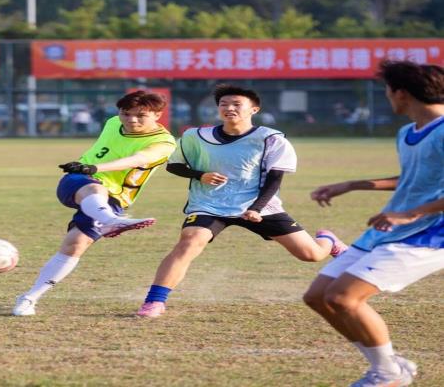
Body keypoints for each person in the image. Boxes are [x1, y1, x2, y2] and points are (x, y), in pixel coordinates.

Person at [136, 84, 348, 318]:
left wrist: (256, 209)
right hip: (209, 205)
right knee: (189, 242)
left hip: (260, 206)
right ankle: (154, 302)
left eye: (237, 104)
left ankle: (328, 240)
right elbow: (174, 166)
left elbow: (274, 180)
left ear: (254, 109)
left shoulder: (271, 139)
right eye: (224, 104)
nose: (229, 108)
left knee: (311, 255)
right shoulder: (196, 136)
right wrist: (200, 175)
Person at [303, 60, 444, 387]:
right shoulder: (407, 132)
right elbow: (414, 179)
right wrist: (352, 184)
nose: (387, 97)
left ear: (401, 93)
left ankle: (387, 375)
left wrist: (412, 213)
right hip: (390, 230)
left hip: (429, 235)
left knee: (344, 298)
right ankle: (390, 366)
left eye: (387, 91)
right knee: (318, 296)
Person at [13, 91, 176, 316]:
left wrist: (95, 168)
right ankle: (111, 221)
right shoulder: (113, 122)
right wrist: (88, 169)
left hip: (114, 197)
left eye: (141, 115)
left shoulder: (164, 143)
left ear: (157, 115)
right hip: (78, 179)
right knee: (94, 188)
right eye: (125, 113)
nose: (131, 120)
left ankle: (29, 298)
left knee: (75, 244)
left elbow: (136, 160)